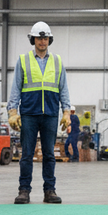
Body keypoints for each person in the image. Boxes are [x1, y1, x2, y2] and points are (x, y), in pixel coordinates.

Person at [7, 21, 73, 204]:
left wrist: (66, 112)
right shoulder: (23, 60)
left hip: (51, 114)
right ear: (33, 39)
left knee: (49, 154)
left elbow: (63, 89)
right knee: (27, 154)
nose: (42, 42)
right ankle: (24, 191)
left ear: (49, 40)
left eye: (45, 38)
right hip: (28, 114)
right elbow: (16, 88)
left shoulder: (57, 62)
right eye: (39, 38)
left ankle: (49, 191)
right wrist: (12, 111)